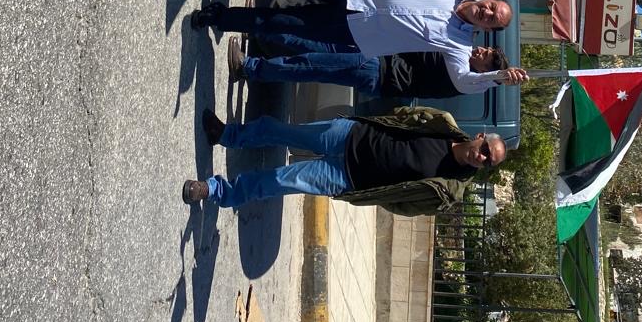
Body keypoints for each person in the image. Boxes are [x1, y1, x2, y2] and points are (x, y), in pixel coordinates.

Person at [191, 0, 529, 95]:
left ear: (487, 29)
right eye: (492, 7)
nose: (487, 13)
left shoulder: (459, 45)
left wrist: (497, 77)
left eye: (492, 20)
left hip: (355, 30)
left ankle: (219, 17)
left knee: (279, 24)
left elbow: (463, 81)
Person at [181, 105, 507, 214]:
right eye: (485, 150)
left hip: (346, 176)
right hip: (349, 134)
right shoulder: (444, 123)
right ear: (480, 137)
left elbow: (404, 207)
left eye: (487, 161)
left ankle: (216, 191)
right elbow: (406, 115)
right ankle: (227, 135)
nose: (481, 157)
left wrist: (371, 193)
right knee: (279, 130)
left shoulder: (448, 192)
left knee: (279, 181)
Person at [226, 42, 510, 97]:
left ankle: (250, 68)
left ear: (485, 71)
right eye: (486, 49)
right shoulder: (463, 61)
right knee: (316, 54)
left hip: (378, 69)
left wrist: (500, 76)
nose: (481, 50)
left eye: (486, 56)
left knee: (311, 65)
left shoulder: (463, 78)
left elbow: (477, 80)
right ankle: (263, 43)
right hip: (378, 62)